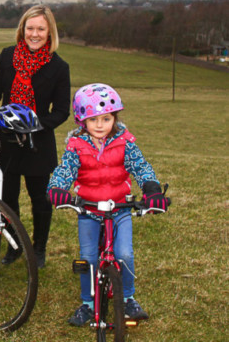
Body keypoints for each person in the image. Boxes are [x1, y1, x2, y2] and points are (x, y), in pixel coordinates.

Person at [47, 83, 168, 326]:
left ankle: (128, 299)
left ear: (115, 118)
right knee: (89, 257)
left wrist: (151, 189)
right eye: (93, 120)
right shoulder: (76, 145)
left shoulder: (125, 142)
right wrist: (58, 188)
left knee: (123, 254)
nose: (100, 125)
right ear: (82, 121)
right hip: (89, 209)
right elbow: (65, 170)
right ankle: (88, 304)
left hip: (119, 208)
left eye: (106, 118)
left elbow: (140, 167)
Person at [0, 4, 70, 268]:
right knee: (7, 199)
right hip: (6, 140)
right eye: (30, 28)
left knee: (40, 198)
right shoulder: (7, 57)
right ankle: (15, 245)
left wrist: (34, 124)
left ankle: (39, 249)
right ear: (22, 29)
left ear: (49, 31)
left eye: (41, 28)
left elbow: (62, 111)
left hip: (37, 143)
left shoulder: (58, 67)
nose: (34, 34)